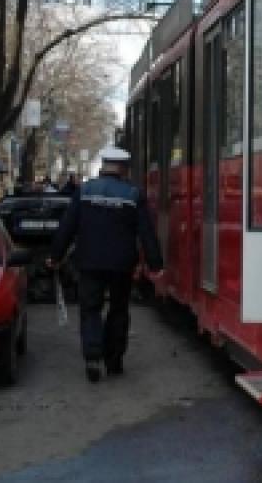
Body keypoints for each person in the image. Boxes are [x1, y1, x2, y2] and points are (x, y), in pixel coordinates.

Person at [50, 146, 163, 382]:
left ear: (104, 166)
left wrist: (55, 256)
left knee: (90, 309)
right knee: (119, 310)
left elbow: (67, 227)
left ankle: (92, 356)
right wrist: (155, 264)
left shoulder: (84, 191)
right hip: (122, 265)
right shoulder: (133, 195)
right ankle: (114, 361)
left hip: (89, 262)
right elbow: (146, 232)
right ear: (122, 169)